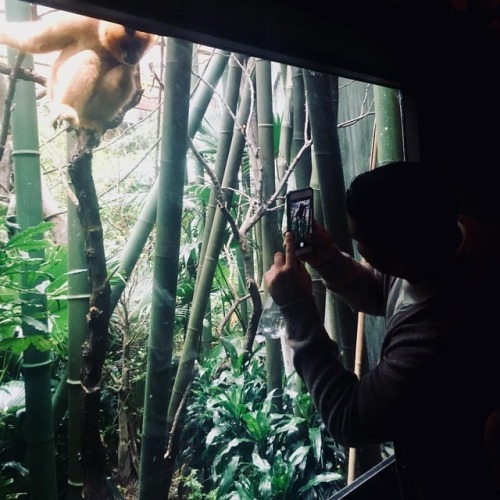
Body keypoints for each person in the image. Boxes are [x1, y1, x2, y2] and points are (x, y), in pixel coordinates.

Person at [264, 161, 500, 499]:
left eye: (358, 238)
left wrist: (297, 310)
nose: (355, 244)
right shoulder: (455, 234)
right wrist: (330, 261)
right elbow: (384, 291)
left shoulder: (437, 340)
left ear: (392, 253)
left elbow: (349, 417)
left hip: (460, 479)